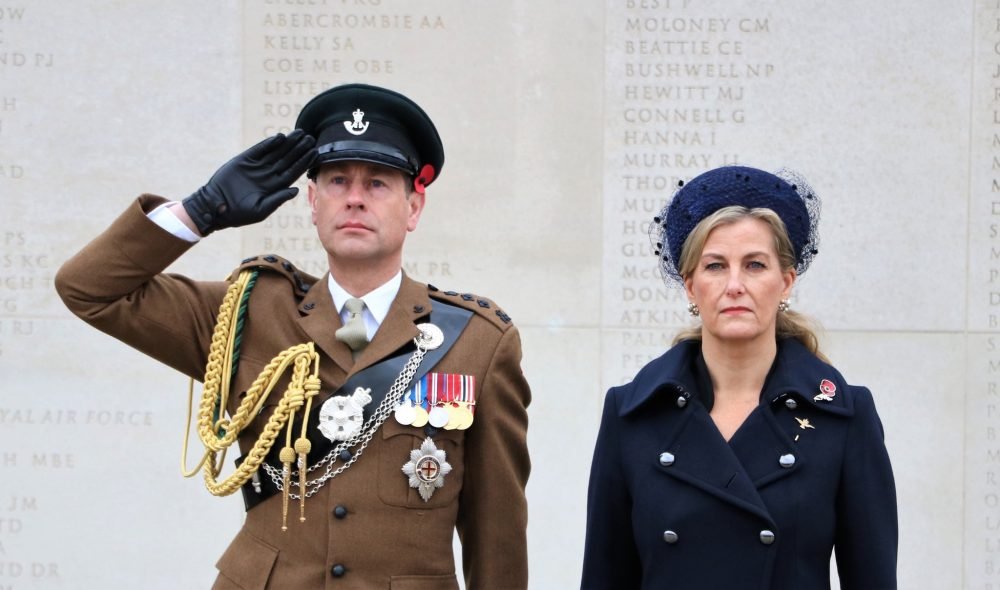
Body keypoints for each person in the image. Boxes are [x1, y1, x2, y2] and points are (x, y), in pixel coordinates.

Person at [55, 83, 530, 589]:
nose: (354, 198)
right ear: (312, 202)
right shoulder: (244, 312)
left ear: (414, 207)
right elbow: (88, 290)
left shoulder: (478, 342)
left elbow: (496, 533)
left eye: (377, 184)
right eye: (337, 181)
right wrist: (202, 211)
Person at [581, 166, 897, 589]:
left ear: (785, 283)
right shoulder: (631, 414)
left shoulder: (843, 416)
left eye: (754, 265)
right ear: (691, 286)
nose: (734, 285)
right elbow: (605, 576)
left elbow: (872, 577)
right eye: (715, 266)